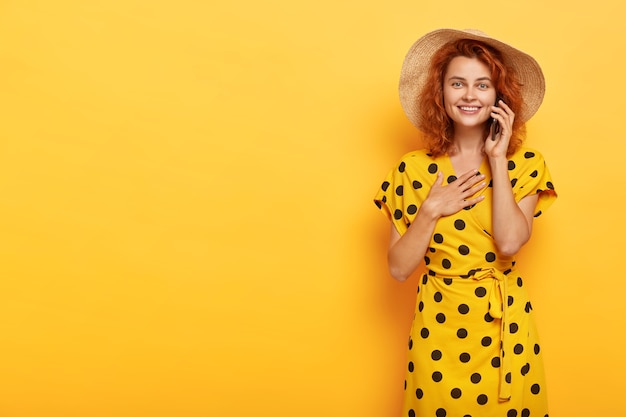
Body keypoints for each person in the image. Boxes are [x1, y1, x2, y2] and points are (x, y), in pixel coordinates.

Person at [373, 29, 557, 417]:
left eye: (482, 85)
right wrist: (430, 209)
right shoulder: (412, 169)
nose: (470, 95)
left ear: (499, 96)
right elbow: (398, 268)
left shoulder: (525, 164)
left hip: (504, 329)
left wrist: (497, 160)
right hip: (437, 329)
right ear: (440, 93)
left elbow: (508, 244)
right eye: (458, 83)